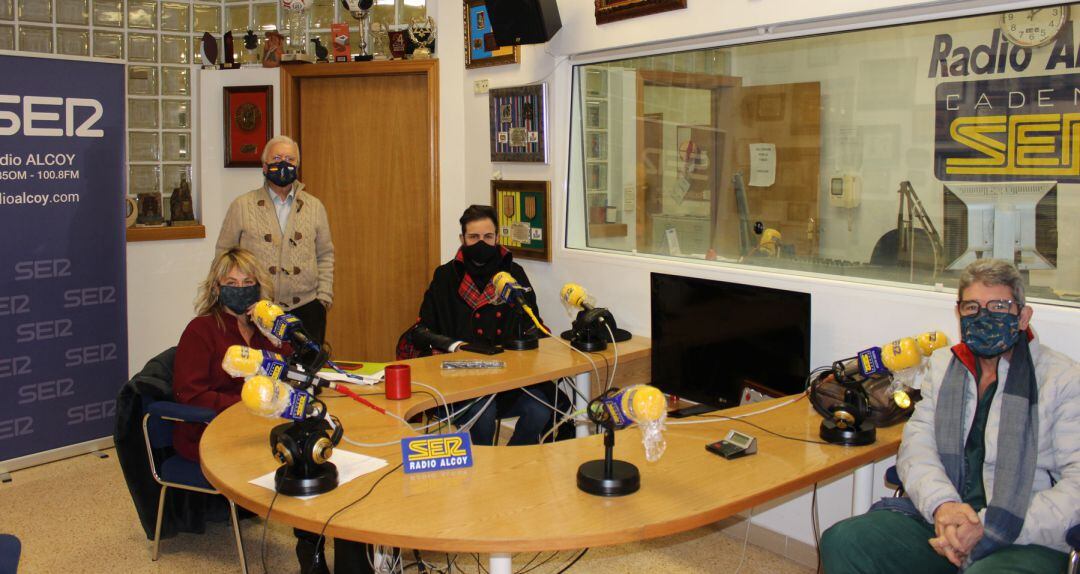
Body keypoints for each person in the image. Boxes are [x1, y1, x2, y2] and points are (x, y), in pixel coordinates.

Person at [820, 259, 1079, 573]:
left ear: (1023, 316)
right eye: (972, 307)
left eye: (999, 306)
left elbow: (1076, 487)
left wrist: (986, 525)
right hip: (944, 519)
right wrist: (943, 506)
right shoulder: (944, 366)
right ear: (959, 314)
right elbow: (917, 447)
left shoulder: (1062, 379)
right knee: (846, 541)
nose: (984, 317)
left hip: (1023, 535)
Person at [399, 204, 567, 446]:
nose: (481, 243)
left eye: (488, 237)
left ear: (498, 237)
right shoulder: (445, 276)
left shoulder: (513, 274)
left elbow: (534, 325)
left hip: (508, 380)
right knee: (484, 416)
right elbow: (421, 331)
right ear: (462, 239)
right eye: (474, 237)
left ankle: (513, 462)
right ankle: (483, 472)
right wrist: (455, 346)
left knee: (540, 409)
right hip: (459, 380)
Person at [216, 134, 335, 343]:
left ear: (297, 166)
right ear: (264, 166)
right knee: (260, 370)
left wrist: (322, 300)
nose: (283, 164)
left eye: (290, 160)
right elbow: (224, 256)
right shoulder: (242, 206)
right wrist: (231, 302)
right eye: (277, 158)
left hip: (307, 311)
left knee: (303, 373)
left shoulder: (315, 207)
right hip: (255, 310)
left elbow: (325, 255)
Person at [173, 248, 286, 461]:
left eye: (248, 282)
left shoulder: (263, 330)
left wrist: (273, 333)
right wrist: (247, 403)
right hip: (212, 430)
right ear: (217, 289)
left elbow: (291, 373)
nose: (240, 289)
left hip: (264, 426)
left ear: (259, 287)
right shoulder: (200, 330)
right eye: (232, 283)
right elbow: (191, 396)